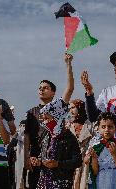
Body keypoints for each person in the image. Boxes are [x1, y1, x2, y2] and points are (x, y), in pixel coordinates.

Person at [30, 53, 82, 189]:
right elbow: (45, 159)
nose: (44, 121)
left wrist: (68, 64)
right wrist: (38, 161)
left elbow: (77, 161)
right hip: (44, 182)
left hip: (62, 183)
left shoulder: (68, 137)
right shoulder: (47, 136)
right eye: (42, 118)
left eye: (46, 117)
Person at [24, 79, 56, 189]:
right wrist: (26, 157)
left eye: (46, 88)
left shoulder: (58, 111)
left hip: (53, 157)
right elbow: (27, 136)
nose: (42, 89)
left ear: (53, 93)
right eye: (40, 88)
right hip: (35, 157)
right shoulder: (31, 112)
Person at [84, 112, 116, 189]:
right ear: (98, 128)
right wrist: (94, 158)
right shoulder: (95, 146)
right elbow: (95, 172)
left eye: (110, 127)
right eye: (103, 127)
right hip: (100, 183)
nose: (107, 130)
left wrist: (114, 154)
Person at [67, 99, 97, 189]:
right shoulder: (67, 126)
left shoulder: (91, 125)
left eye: (73, 107)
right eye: (69, 109)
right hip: (71, 161)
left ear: (80, 108)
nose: (71, 111)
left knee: (84, 185)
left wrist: (90, 155)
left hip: (86, 161)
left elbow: (96, 142)